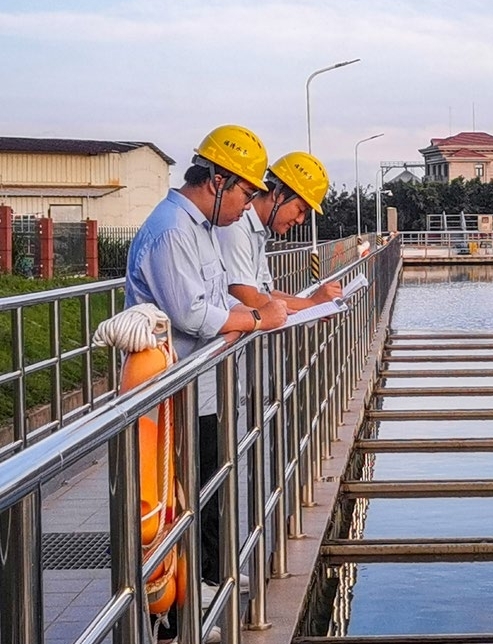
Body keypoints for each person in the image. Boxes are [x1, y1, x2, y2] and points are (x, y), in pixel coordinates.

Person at [124, 124, 289, 643]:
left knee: (207, 489)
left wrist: (253, 311)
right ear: (217, 180)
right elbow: (192, 313)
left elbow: (219, 297)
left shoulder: (200, 229)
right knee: (172, 505)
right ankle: (172, 623)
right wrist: (261, 319)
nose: (247, 204)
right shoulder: (173, 228)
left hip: (202, 389)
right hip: (174, 394)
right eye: (244, 191)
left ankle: (202, 591)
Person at [216, 150, 342, 309]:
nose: (300, 220)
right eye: (300, 209)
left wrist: (314, 305)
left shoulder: (259, 231)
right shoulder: (236, 226)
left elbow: (268, 293)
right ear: (277, 195)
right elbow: (248, 299)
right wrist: (312, 303)